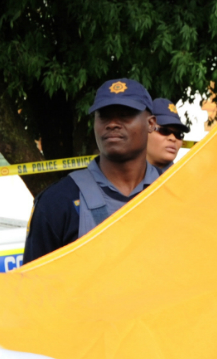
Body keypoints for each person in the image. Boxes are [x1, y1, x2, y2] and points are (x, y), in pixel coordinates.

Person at [24, 78, 158, 263]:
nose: (112, 124)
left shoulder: (175, 191)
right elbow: (34, 286)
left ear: (151, 124)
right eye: (104, 115)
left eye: (125, 114)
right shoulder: (57, 202)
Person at [146, 97, 189, 173]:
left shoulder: (186, 181)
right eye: (164, 131)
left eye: (178, 134)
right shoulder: (121, 176)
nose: (173, 138)